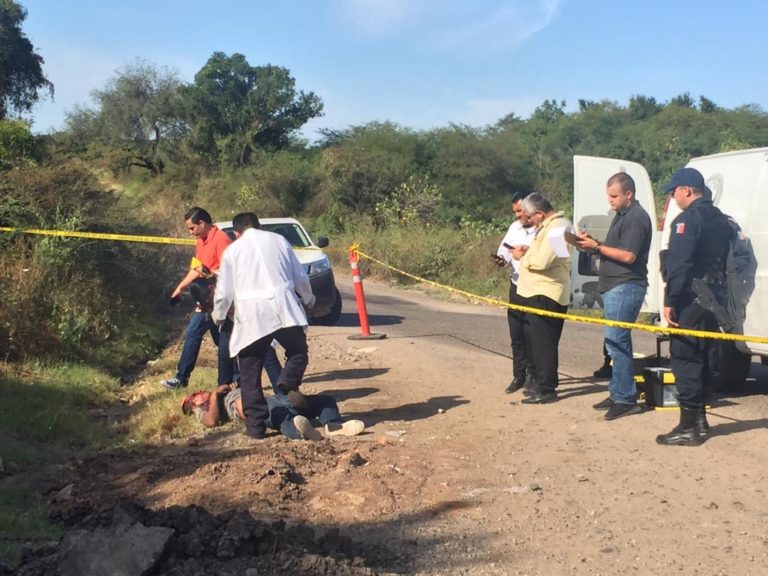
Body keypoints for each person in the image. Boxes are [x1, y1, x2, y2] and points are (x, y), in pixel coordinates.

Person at [212, 212, 316, 440]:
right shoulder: (279, 241)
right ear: (259, 226)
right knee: (298, 351)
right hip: (283, 307)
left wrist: (218, 316)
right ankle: (286, 385)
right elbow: (300, 276)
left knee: (250, 374)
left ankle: (256, 428)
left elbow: (223, 292)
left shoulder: (232, 251)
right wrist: (308, 299)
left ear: (236, 233)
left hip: (251, 316)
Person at [656, 167, 731, 446]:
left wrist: (670, 302)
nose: (673, 197)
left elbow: (679, 265)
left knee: (685, 358)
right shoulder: (721, 218)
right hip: (715, 297)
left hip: (691, 297)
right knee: (702, 356)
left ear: (686, 190)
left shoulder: (687, 220)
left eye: (674, 191)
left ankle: (690, 426)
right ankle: (698, 421)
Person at [572, 172, 652, 420]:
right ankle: (619, 391)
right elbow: (615, 250)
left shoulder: (636, 218)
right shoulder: (622, 216)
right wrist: (593, 243)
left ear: (629, 194)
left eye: (614, 196)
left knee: (618, 342)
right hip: (615, 285)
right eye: (608, 196)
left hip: (626, 285)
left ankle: (625, 398)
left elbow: (628, 256)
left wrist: (596, 247)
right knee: (613, 343)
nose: (610, 201)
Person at [161, 207, 233, 390]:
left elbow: (228, 271)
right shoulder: (201, 241)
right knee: (221, 341)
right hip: (207, 299)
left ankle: (181, 378)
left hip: (218, 300)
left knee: (196, 333)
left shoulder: (221, 239)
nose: (191, 232)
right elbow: (198, 267)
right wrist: (180, 287)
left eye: (192, 228)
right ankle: (236, 378)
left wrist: (213, 295)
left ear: (202, 223)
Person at [516, 194, 573, 404]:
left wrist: (524, 256)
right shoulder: (551, 227)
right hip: (539, 292)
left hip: (547, 293)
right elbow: (551, 257)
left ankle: (547, 389)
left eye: (530, 217)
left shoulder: (557, 228)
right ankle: (541, 383)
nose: (529, 221)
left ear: (539, 213)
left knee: (544, 344)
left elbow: (543, 261)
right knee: (537, 342)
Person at [181, 385, 365, 440]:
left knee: (325, 401)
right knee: (282, 417)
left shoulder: (221, 393)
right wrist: (214, 394)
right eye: (192, 399)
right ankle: (300, 430)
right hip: (257, 408)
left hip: (273, 398)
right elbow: (211, 422)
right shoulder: (203, 410)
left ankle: (333, 425)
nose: (196, 394)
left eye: (195, 393)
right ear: (193, 407)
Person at [495, 191, 537, 394]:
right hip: (516, 284)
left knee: (532, 334)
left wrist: (525, 251)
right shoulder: (514, 227)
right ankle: (518, 375)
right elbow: (503, 251)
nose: (518, 215)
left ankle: (533, 374)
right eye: (515, 211)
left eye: (520, 210)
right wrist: (501, 260)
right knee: (516, 334)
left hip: (535, 287)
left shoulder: (543, 228)